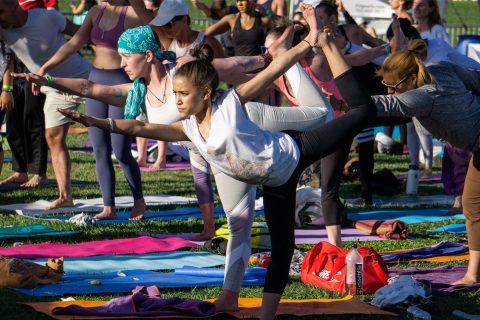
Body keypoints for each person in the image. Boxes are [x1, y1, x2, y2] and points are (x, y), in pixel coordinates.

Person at [19, 5, 377, 317]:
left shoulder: (196, 80)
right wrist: (69, 97)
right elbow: (110, 103)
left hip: (264, 132)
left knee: (330, 114)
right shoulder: (157, 104)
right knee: (250, 230)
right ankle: (236, 299)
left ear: (145, 55)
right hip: (235, 161)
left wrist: (293, 48)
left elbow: (247, 67)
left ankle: (332, 60)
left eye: (125, 55)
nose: (120, 61)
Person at [371, 33, 480, 286]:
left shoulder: (421, 96)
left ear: (410, 79)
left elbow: (382, 105)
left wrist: (343, 104)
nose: (389, 91)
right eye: (386, 86)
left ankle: (474, 274)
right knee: (472, 206)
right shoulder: (441, 70)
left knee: (473, 206)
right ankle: (473, 274)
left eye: (393, 87)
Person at [37, 0, 148, 218]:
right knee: (99, 148)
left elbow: (153, 39)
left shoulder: (133, 13)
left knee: (121, 150)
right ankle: (109, 207)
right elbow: (73, 44)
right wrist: (45, 67)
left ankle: (139, 200)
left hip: (120, 83)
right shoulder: (96, 12)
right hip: (95, 81)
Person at [0, 0, 91, 208]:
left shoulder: (47, 17)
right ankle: (65, 197)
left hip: (86, 81)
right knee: (52, 137)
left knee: (115, 133)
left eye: (1, 12)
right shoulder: (3, 29)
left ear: (15, 6)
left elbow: (82, 33)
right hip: (53, 88)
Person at [205, 0, 270, 56]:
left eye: (243, 0)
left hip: (259, 67)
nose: (239, 4)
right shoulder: (232, 19)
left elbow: (279, 24)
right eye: (237, 1)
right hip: (239, 66)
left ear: (251, 1)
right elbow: (207, 32)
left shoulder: (263, 19)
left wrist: (266, 13)